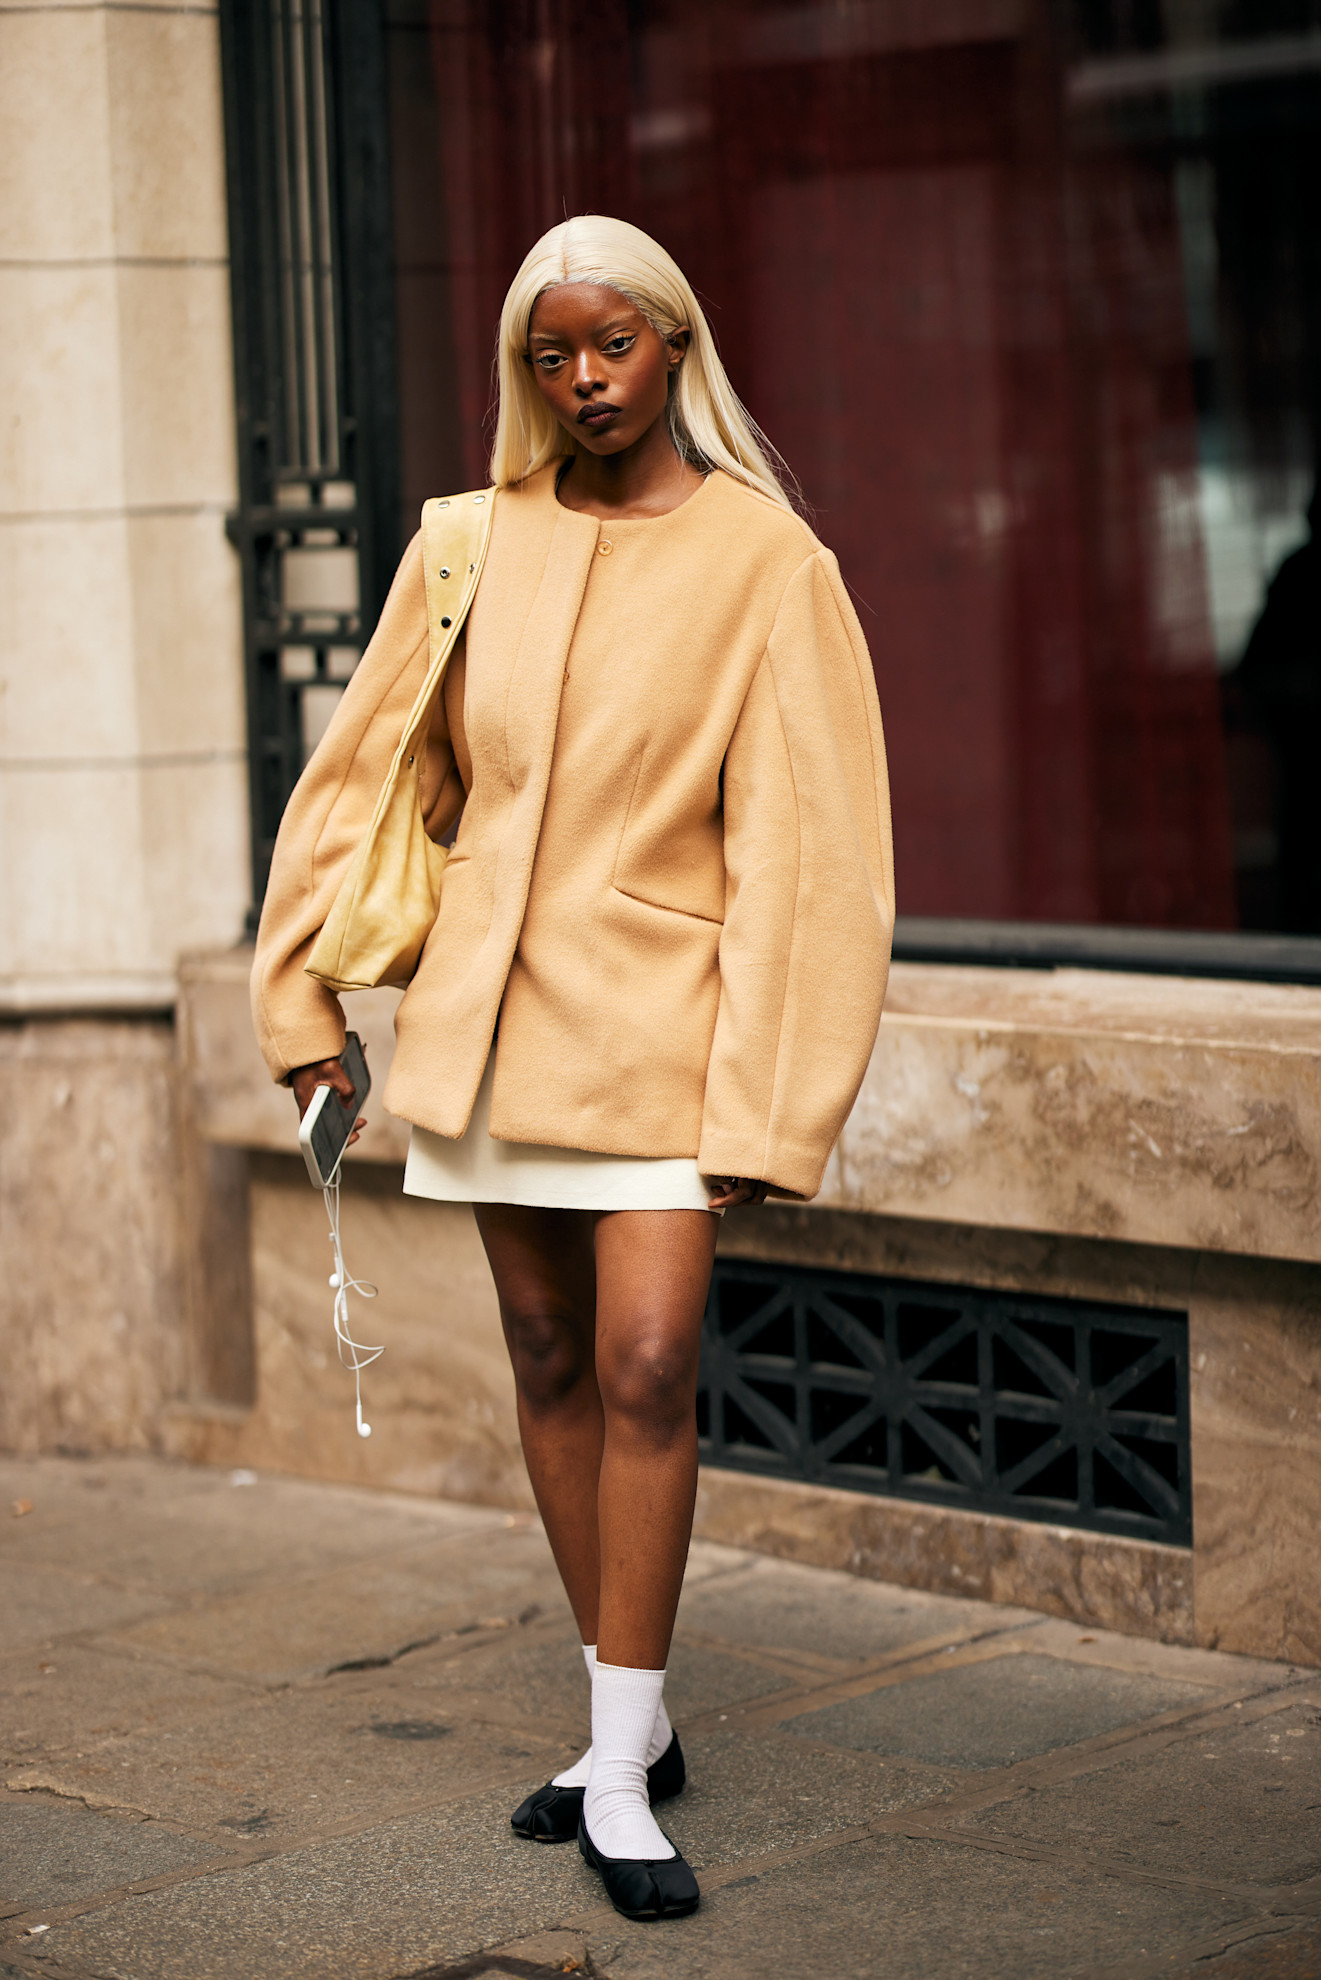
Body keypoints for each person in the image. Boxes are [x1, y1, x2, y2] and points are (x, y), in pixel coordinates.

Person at [251, 214, 894, 1921]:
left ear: (675, 344)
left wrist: (777, 1100)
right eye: (551, 355)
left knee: (647, 1362)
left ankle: (615, 1773)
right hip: (484, 1032)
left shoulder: (772, 567)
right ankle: (632, 1710)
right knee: (545, 1357)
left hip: (671, 1044)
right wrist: (301, 1012)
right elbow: (359, 785)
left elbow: (813, 859)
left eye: (611, 344)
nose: (584, 378)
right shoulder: (464, 542)